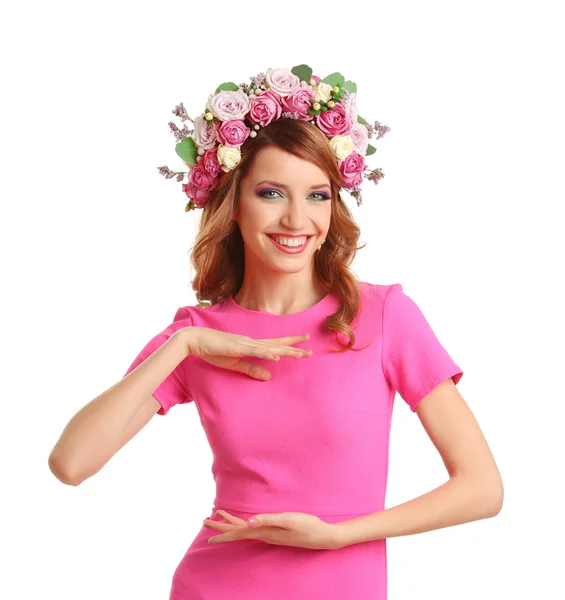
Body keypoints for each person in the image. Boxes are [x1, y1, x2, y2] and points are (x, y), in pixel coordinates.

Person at [48, 66, 504, 600]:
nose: (297, 219)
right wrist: (183, 345)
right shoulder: (198, 336)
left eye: (317, 195)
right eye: (271, 193)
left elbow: (482, 489)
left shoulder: (383, 316)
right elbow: (70, 463)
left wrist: (338, 536)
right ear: (232, 203)